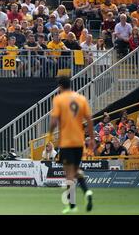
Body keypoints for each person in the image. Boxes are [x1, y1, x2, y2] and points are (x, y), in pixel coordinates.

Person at [49, 76, 94, 214]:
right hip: (79, 142)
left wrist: (50, 134)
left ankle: (72, 205)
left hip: (67, 142)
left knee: (69, 175)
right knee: (75, 170)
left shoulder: (58, 99)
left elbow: (54, 121)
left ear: (60, 87)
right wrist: (91, 138)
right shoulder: (81, 98)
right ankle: (86, 192)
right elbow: (89, 120)